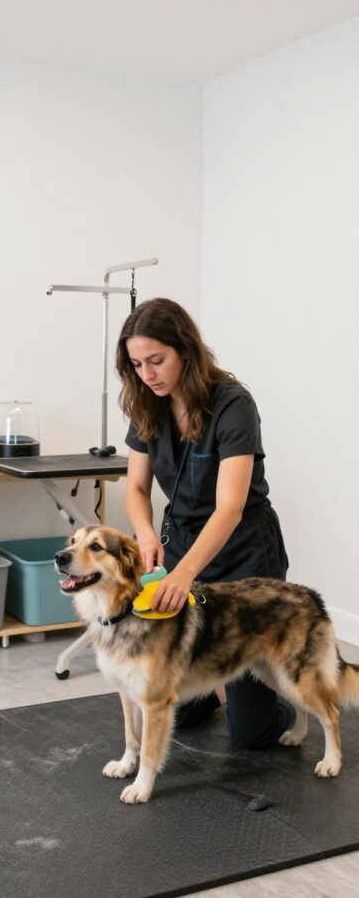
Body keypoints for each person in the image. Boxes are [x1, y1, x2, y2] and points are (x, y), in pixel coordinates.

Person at [116, 297, 294, 748]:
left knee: (251, 734)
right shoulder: (146, 403)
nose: (147, 374)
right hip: (184, 546)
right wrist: (145, 534)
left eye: (157, 361)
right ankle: (219, 689)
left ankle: (288, 700)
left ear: (186, 351)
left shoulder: (232, 404)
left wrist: (185, 572)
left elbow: (229, 507)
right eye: (137, 364)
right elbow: (136, 488)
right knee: (181, 707)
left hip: (243, 552)